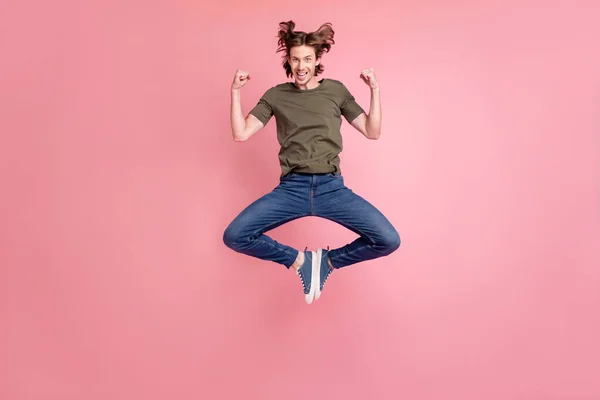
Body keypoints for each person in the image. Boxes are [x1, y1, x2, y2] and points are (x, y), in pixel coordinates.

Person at [223, 20, 400, 304]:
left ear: (318, 60)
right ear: (289, 62)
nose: (301, 65)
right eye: (295, 59)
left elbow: (372, 131)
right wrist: (235, 92)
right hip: (291, 189)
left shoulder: (336, 91)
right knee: (235, 235)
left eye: (307, 58)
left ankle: (327, 263)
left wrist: (375, 91)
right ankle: (300, 261)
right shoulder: (276, 95)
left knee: (388, 240)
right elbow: (241, 133)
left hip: (332, 189)